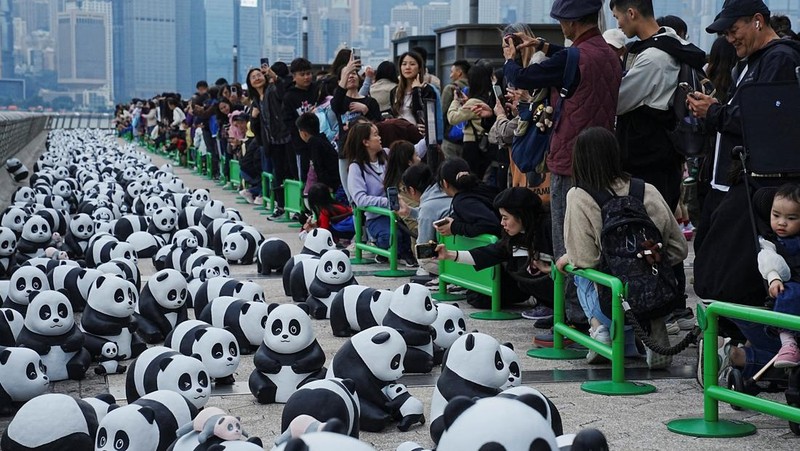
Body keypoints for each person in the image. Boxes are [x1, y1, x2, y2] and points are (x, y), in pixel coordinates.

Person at [503, 0, 622, 326]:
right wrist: (543, 46)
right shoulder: (608, 54)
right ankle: (596, 314)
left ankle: (571, 318)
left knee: (567, 245)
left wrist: (511, 60)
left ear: (570, 22)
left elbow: (525, 78)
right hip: (603, 161)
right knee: (595, 243)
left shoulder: (573, 57)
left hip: (569, 162)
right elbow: (574, 59)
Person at [688, 0, 800, 311]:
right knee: (715, 261)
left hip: (763, 186)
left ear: (757, 21)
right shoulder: (751, 62)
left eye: (733, 29)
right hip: (739, 180)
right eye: (724, 33)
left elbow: (761, 122)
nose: (729, 38)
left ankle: (743, 343)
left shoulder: (780, 59)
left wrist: (713, 113)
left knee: (727, 271)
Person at [556, 127, 688, 367]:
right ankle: (652, 328)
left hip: (612, 302)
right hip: (659, 297)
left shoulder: (579, 195)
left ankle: (599, 330)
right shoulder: (645, 189)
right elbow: (679, 249)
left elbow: (586, 259)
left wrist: (568, 258)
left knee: (579, 273)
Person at [610, 0, 706, 325]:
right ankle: (673, 303)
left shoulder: (653, 57)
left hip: (647, 157)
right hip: (666, 156)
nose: (620, 24)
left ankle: (667, 305)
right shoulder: (673, 44)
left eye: (618, 17)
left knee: (653, 231)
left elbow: (618, 101)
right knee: (662, 227)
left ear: (632, 13)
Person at [436, 187, 554, 309]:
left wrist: (551, 269)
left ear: (521, 215)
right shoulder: (517, 235)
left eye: (506, 217)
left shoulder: (549, 228)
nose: (502, 223)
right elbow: (490, 253)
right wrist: (449, 255)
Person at [345, 122, 424, 266]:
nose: (380, 138)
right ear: (365, 142)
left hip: (399, 211)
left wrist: (430, 136)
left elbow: (411, 152)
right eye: (375, 135)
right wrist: (388, 202)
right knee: (394, 237)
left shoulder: (387, 154)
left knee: (413, 233)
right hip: (378, 216)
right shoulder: (356, 168)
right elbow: (360, 200)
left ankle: (396, 253)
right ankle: (382, 247)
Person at [757, 183, 800, 368]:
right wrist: (774, 276)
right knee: (789, 293)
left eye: (791, 218)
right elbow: (767, 258)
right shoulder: (770, 241)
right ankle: (788, 341)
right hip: (786, 281)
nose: (782, 222)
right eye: (776, 216)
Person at [247, 67, 292, 220]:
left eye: (259, 75)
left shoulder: (272, 90)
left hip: (285, 139)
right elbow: (254, 128)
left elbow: (283, 94)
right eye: (253, 77)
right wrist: (253, 117)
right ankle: (280, 207)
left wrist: (276, 77)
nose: (257, 78)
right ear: (250, 83)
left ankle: (294, 209)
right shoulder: (255, 102)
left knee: (290, 174)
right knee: (277, 176)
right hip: (271, 143)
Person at [399, 164, 451, 271]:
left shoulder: (427, 207)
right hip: (471, 251)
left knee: (423, 259)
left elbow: (423, 246)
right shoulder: (444, 191)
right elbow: (436, 213)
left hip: (455, 259)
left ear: (412, 190)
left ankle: (446, 278)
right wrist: (410, 212)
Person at [434, 157, 501, 239]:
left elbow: (491, 224)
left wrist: (454, 227)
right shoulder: (480, 187)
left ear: (445, 183)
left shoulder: (461, 202)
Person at [446, 64, 493, 178]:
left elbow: (452, 118)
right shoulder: (489, 98)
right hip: (484, 144)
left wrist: (456, 101)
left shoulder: (474, 102)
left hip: (472, 144)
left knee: (471, 177)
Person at [282, 58, 318, 184]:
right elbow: (287, 121)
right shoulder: (289, 96)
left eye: (308, 73)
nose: (306, 77)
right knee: (303, 174)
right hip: (300, 144)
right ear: (294, 76)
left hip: (319, 141)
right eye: (302, 74)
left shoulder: (317, 89)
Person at [296, 112, 342, 199]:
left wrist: (326, 187)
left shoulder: (314, 143)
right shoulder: (322, 138)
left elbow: (318, 166)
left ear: (304, 133)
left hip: (331, 185)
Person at [384, 140, 422, 238]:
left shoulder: (399, 183)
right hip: (419, 232)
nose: (419, 159)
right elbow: (412, 222)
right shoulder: (402, 188)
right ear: (409, 162)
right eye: (416, 156)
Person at [442, 60, 471, 159]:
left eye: (452, 71)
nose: (450, 75)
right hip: (469, 137)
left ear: (459, 73)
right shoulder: (474, 88)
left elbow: (442, 112)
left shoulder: (450, 88)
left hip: (450, 138)